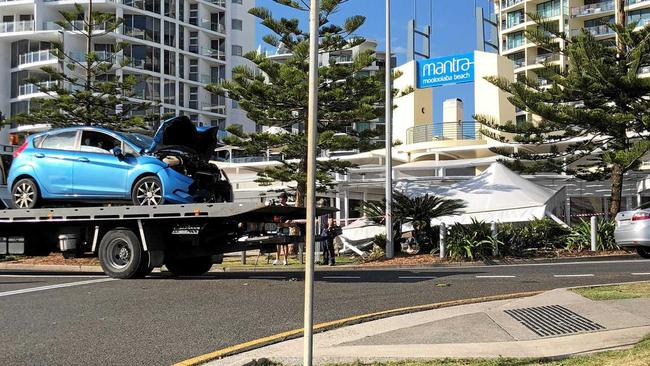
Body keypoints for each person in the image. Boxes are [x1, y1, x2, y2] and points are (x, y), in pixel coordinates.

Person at [273, 192, 291, 265]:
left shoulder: (288, 207)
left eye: (282, 198)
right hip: (278, 227)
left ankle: (285, 259)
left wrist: (287, 222)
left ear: (285, 199)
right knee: (278, 244)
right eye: (280, 198)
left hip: (285, 227)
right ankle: (277, 259)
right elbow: (274, 217)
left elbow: (291, 217)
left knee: (285, 243)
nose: (280, 199)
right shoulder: (277, 207)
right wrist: (276, 221)